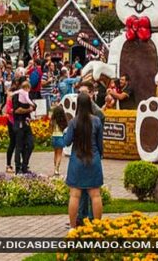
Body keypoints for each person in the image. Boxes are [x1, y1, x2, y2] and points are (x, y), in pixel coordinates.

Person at [65, 92, 103, 229]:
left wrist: (66, 133)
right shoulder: (97, 121)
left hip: (77, 160)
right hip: (93, 159)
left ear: (78, 105)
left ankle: (73, 227)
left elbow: (67, 142)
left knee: (75, 196)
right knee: (95, 195)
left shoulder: (73, 122)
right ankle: (97, 226)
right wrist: (100, 157)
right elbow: (100, 144)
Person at [13, 81, 36, 174]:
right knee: (19, 146)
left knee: (31, 144)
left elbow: (34, 105)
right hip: (19, 123)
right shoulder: (17, 96)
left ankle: (25, 165)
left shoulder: (28, 95)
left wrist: (32, 108)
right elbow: (17, 110)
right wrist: (28, 109)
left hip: (27, 123)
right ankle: (18, 168)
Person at [50, 105, 68, 176]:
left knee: (55, 153)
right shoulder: (63, 120)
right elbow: (66, 129)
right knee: (59, 154)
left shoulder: (53, 120)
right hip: (60, 137)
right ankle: (57, 169)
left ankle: (55, 168)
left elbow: (50, 128)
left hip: (54, 137)